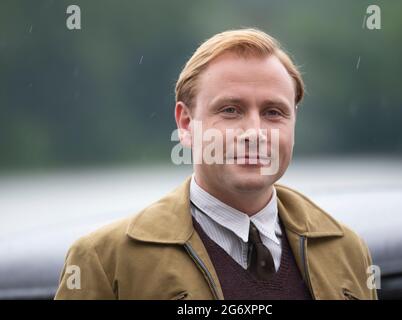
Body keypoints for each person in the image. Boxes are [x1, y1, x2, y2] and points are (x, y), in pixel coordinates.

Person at [54, 28, 377, 300]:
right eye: (230, 110)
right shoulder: (104, 260)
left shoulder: (347, 251)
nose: (254, 132)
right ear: (185, 123)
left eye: (273, 112)